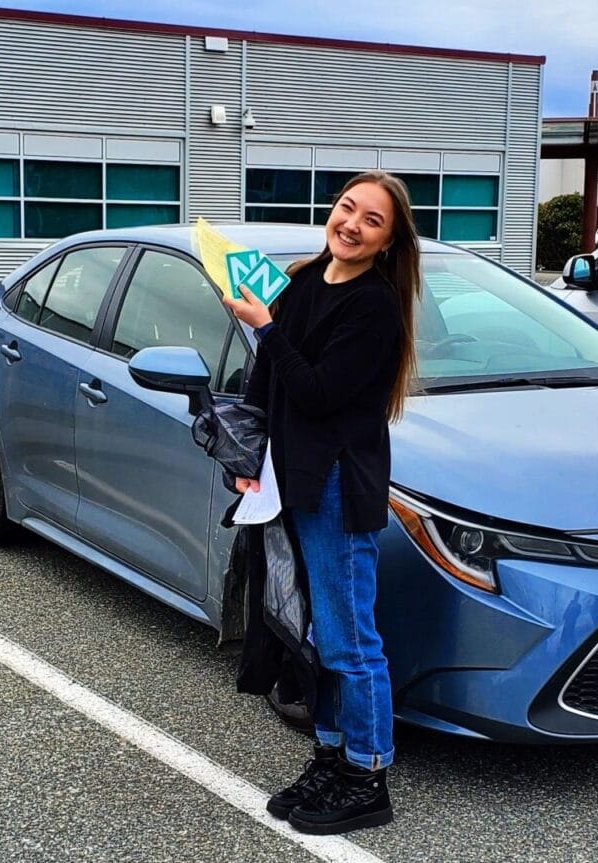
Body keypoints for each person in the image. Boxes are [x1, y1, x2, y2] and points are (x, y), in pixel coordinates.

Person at [222, 171, 420, 836]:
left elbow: (316, 392)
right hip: (293, 480)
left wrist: (266, 326)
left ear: (388, 242)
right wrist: (246, 463)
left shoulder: (374, 307)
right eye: (347, 207)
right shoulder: (305, 280)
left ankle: (367, 772)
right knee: (317, 632)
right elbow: (269, 380)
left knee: (350, 638)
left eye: (372, 220)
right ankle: (332, 754)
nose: (353, 224)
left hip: (338, 484)